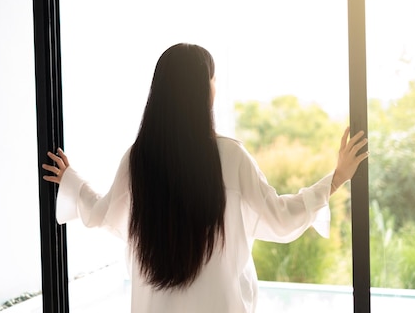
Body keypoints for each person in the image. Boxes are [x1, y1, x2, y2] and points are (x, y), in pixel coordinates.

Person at [43, 43, 369, 313]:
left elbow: (102, 213)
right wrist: (337, 177)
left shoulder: (138, 159)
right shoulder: (231, 157)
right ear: (203, 90)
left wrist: (71, 180)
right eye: (213, 79)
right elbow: (281, 218)